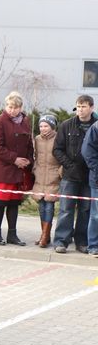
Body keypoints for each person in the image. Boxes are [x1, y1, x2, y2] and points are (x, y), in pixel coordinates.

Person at [52, 95, 96, 254]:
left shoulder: (95, 126)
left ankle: (82, 242)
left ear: (91, 107)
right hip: (70, 176)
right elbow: (57, 149)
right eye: (78, 106)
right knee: (66, 209)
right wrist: (70, 166)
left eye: (83, 106)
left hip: (89, 176)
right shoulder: (66, 125)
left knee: (85, 210)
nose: (80, 110)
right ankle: (61, 241)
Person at [0, 91, 33, 246]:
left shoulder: (25, 121)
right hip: (4, 169)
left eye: (15, 107)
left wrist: (28, 160)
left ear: (20, 108)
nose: (12, 110)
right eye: (9, 106)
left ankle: (12, 235)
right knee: (0, 203)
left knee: (14, 203)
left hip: (19, 170)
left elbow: (29, 143)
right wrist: (14, 159)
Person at [31, 115, 60, 248]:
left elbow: (63, 155)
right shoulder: (37, 139)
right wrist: (34, 169)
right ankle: (44, 235)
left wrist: (60, 172)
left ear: (52, 126)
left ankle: (45, 236)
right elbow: (35, 155)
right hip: (40, 175)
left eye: (46, 126)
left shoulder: (59, 137)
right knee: (41, 206)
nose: (43, 128)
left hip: (53, 176)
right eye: (41, 126)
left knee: (49, 205)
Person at [80, 118, 98, 256]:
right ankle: (93, 245)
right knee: (96, 215)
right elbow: (87, 151)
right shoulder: (95, 128)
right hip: (97, 179)